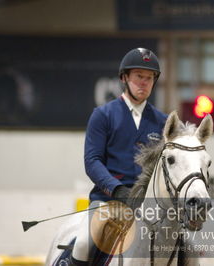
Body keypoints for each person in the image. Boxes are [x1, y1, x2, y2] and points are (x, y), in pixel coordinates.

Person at [70, 48, 167, 266]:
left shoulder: (163, 122)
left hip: (149, 207)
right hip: (108, 201)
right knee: (84, 243)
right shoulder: (103, 115)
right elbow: (92, 161)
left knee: (184, 245)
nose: (144, 83)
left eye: (149, 78)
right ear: (124, 78)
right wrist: (116, 189)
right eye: (138, 77)